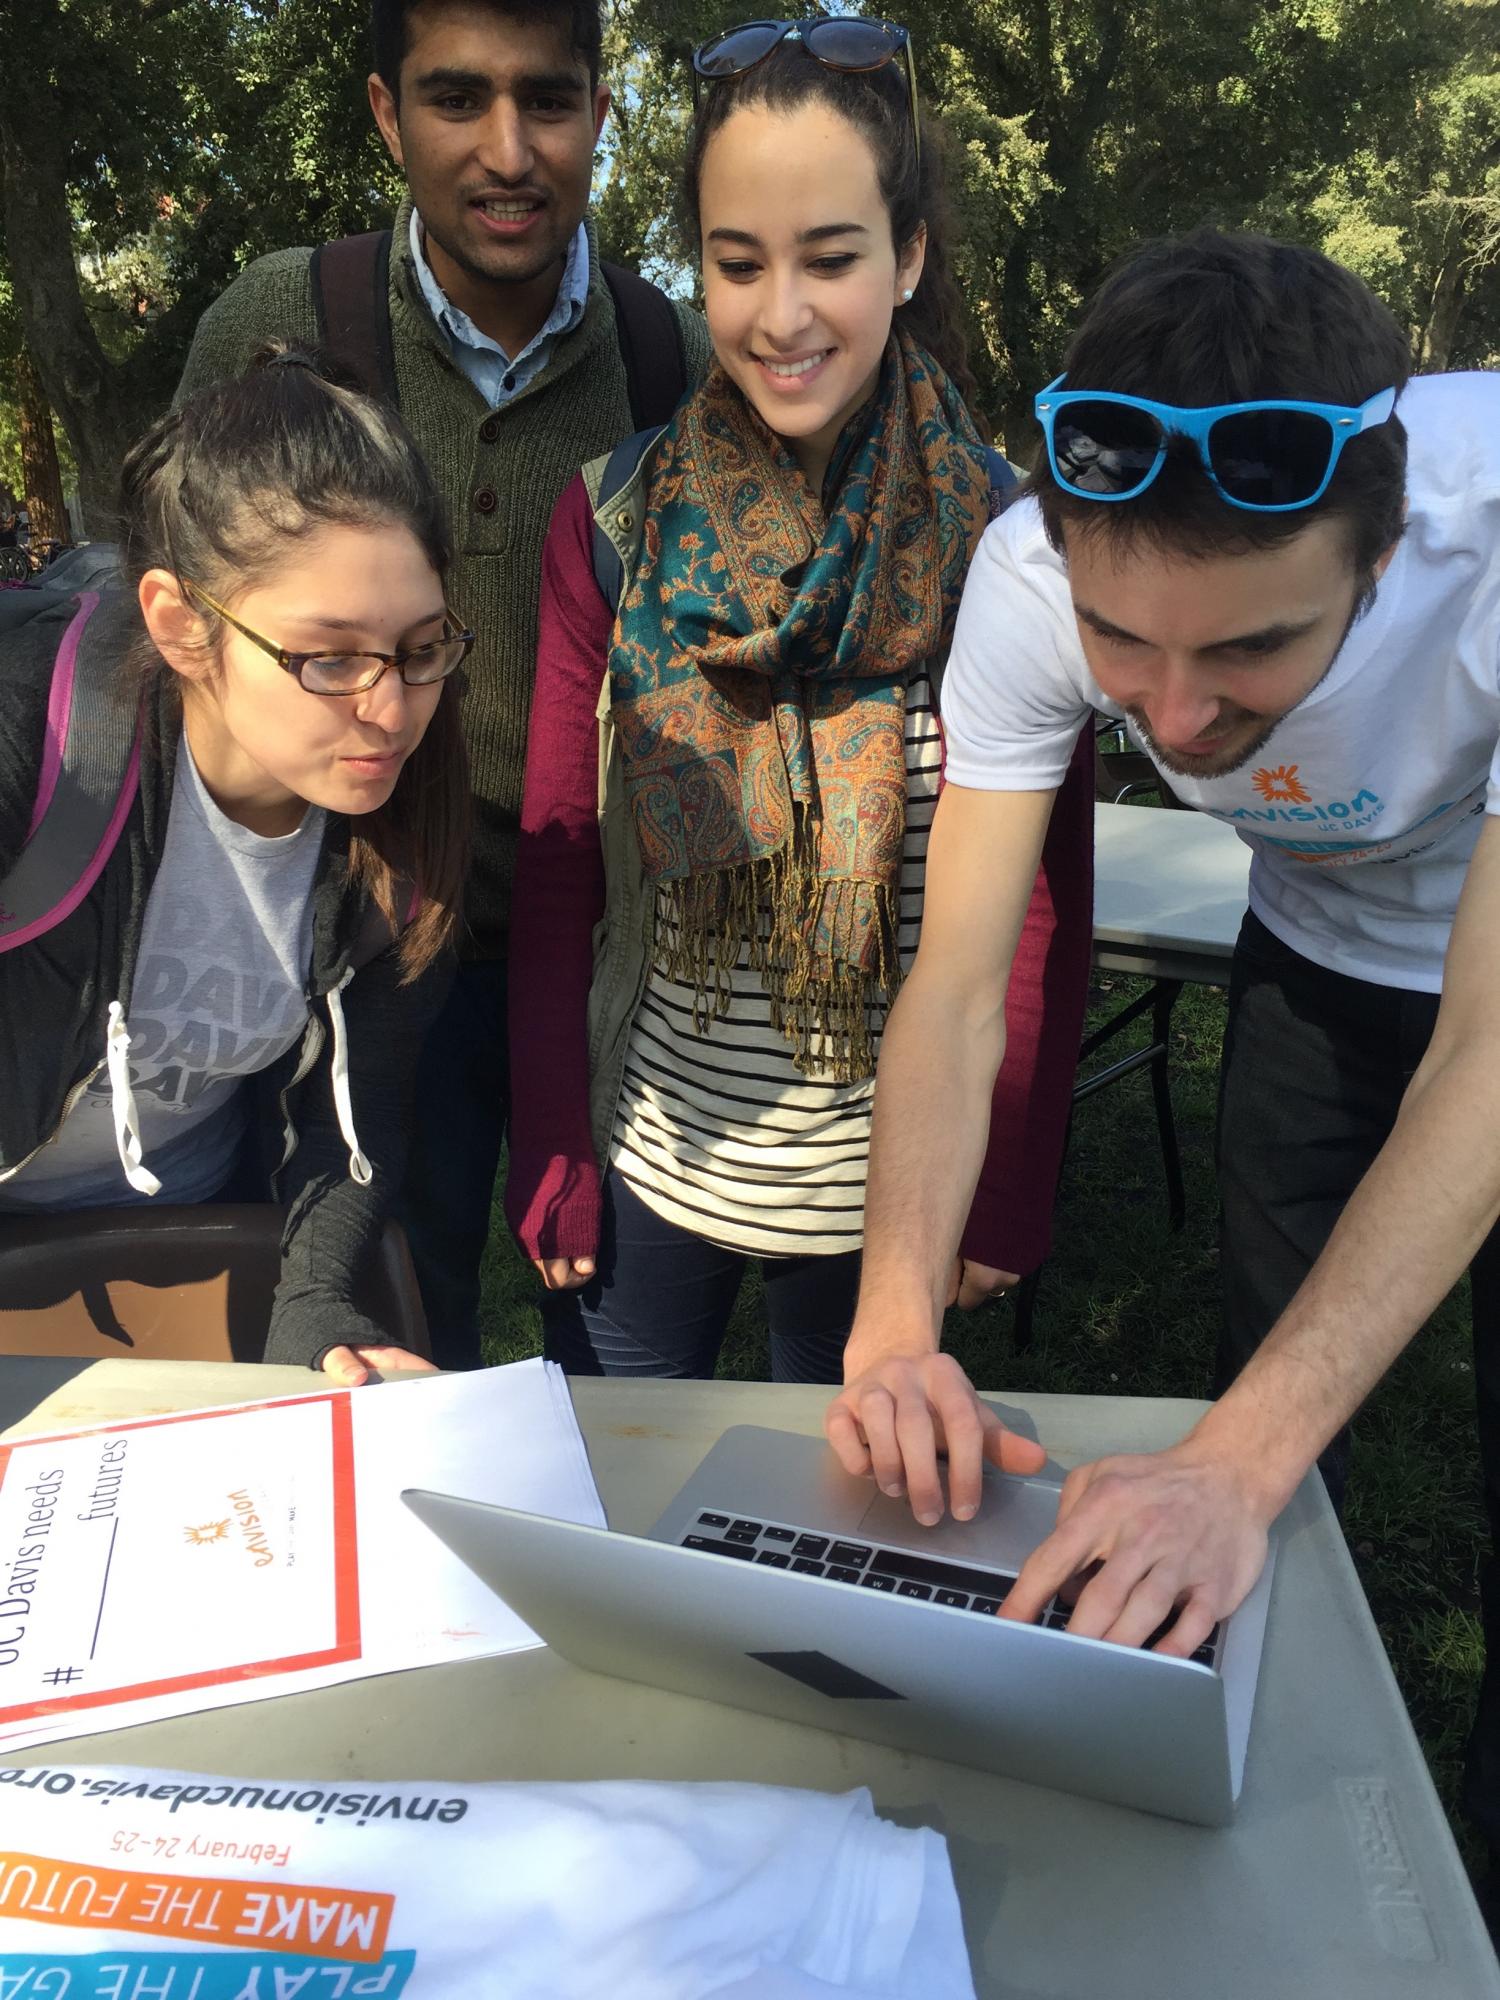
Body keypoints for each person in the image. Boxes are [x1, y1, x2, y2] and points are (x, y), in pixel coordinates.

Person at [823, 226, 1500, 1842]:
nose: (1179, 719)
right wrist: (895, 1325)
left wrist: (1232, 1464)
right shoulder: (1025, 575)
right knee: (1271, 1378)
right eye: (1123, 644)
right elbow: (955, 988)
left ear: (1386, 549)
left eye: (1253, 647)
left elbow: (1487, 1058)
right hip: (1313, 959)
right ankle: (1248, 1762)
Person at [504, 18, 1092, 1384]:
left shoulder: (1009, 541)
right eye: (737, 262)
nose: (781, 316)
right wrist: (553, 1142)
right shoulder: (611, 520)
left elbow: (1045, 895)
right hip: (657, 1150)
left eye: (831, 257)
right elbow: (557, 867)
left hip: (895, 1189)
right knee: (614, 1495)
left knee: (836, 1503)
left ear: (910, 254)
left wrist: (1006, 1181)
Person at [176, 0, 711, 1369]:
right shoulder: (284, 318)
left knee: (613, 1354)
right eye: (458, 98)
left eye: (549, 100)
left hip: (594, 955)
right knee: (392, 1320)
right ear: (386, 112)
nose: (508, 150)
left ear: (602, 112)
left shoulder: (675, 363)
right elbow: (186, 622)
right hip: (350, 952)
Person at [0, 345, 470, 1388]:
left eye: (422, 646)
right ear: (182, 624)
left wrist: (315, 1305)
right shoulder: (35, 744)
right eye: (330, 657)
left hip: (197, 1236)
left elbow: (356, 1110)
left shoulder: (405, 811)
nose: (391, 711)